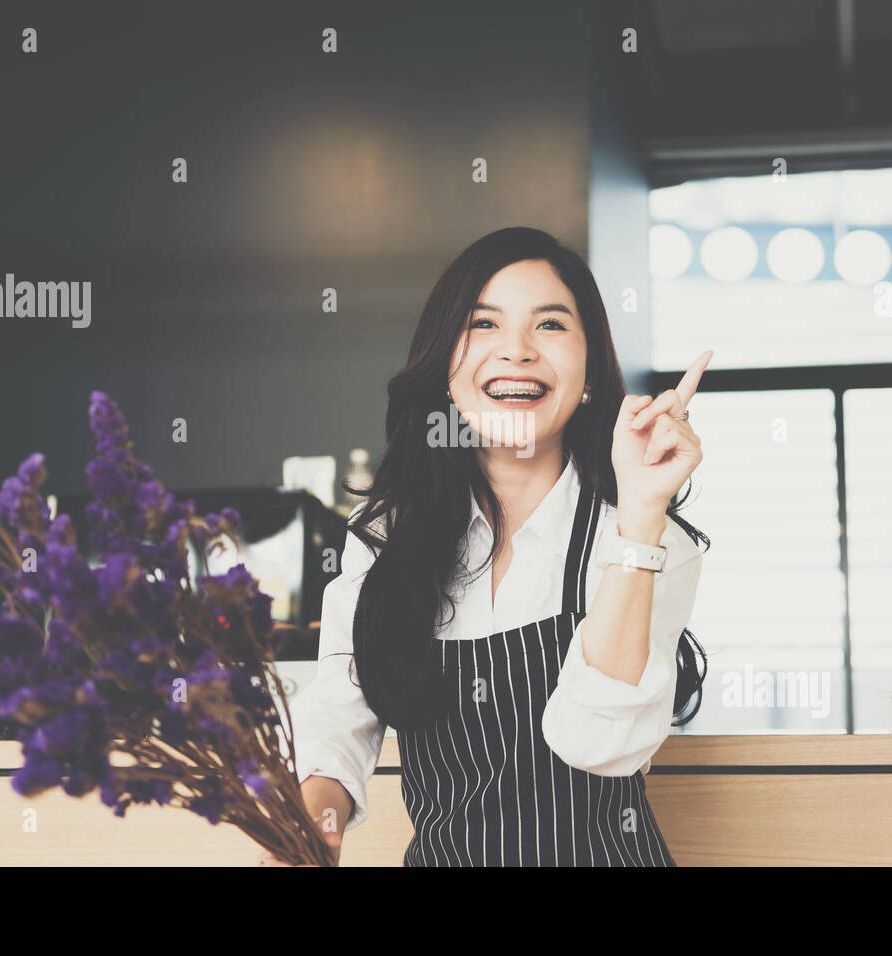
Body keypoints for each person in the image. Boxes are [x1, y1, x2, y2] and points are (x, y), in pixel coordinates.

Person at [268, 226, 712, 866]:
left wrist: (640, 520)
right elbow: (341, 707)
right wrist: (309, 832)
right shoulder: (388, 533)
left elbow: (597, 744)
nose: (517, 351)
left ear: (589, 370)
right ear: (445, 366)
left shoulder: (646, 535)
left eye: (551, 325)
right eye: (483, 324)